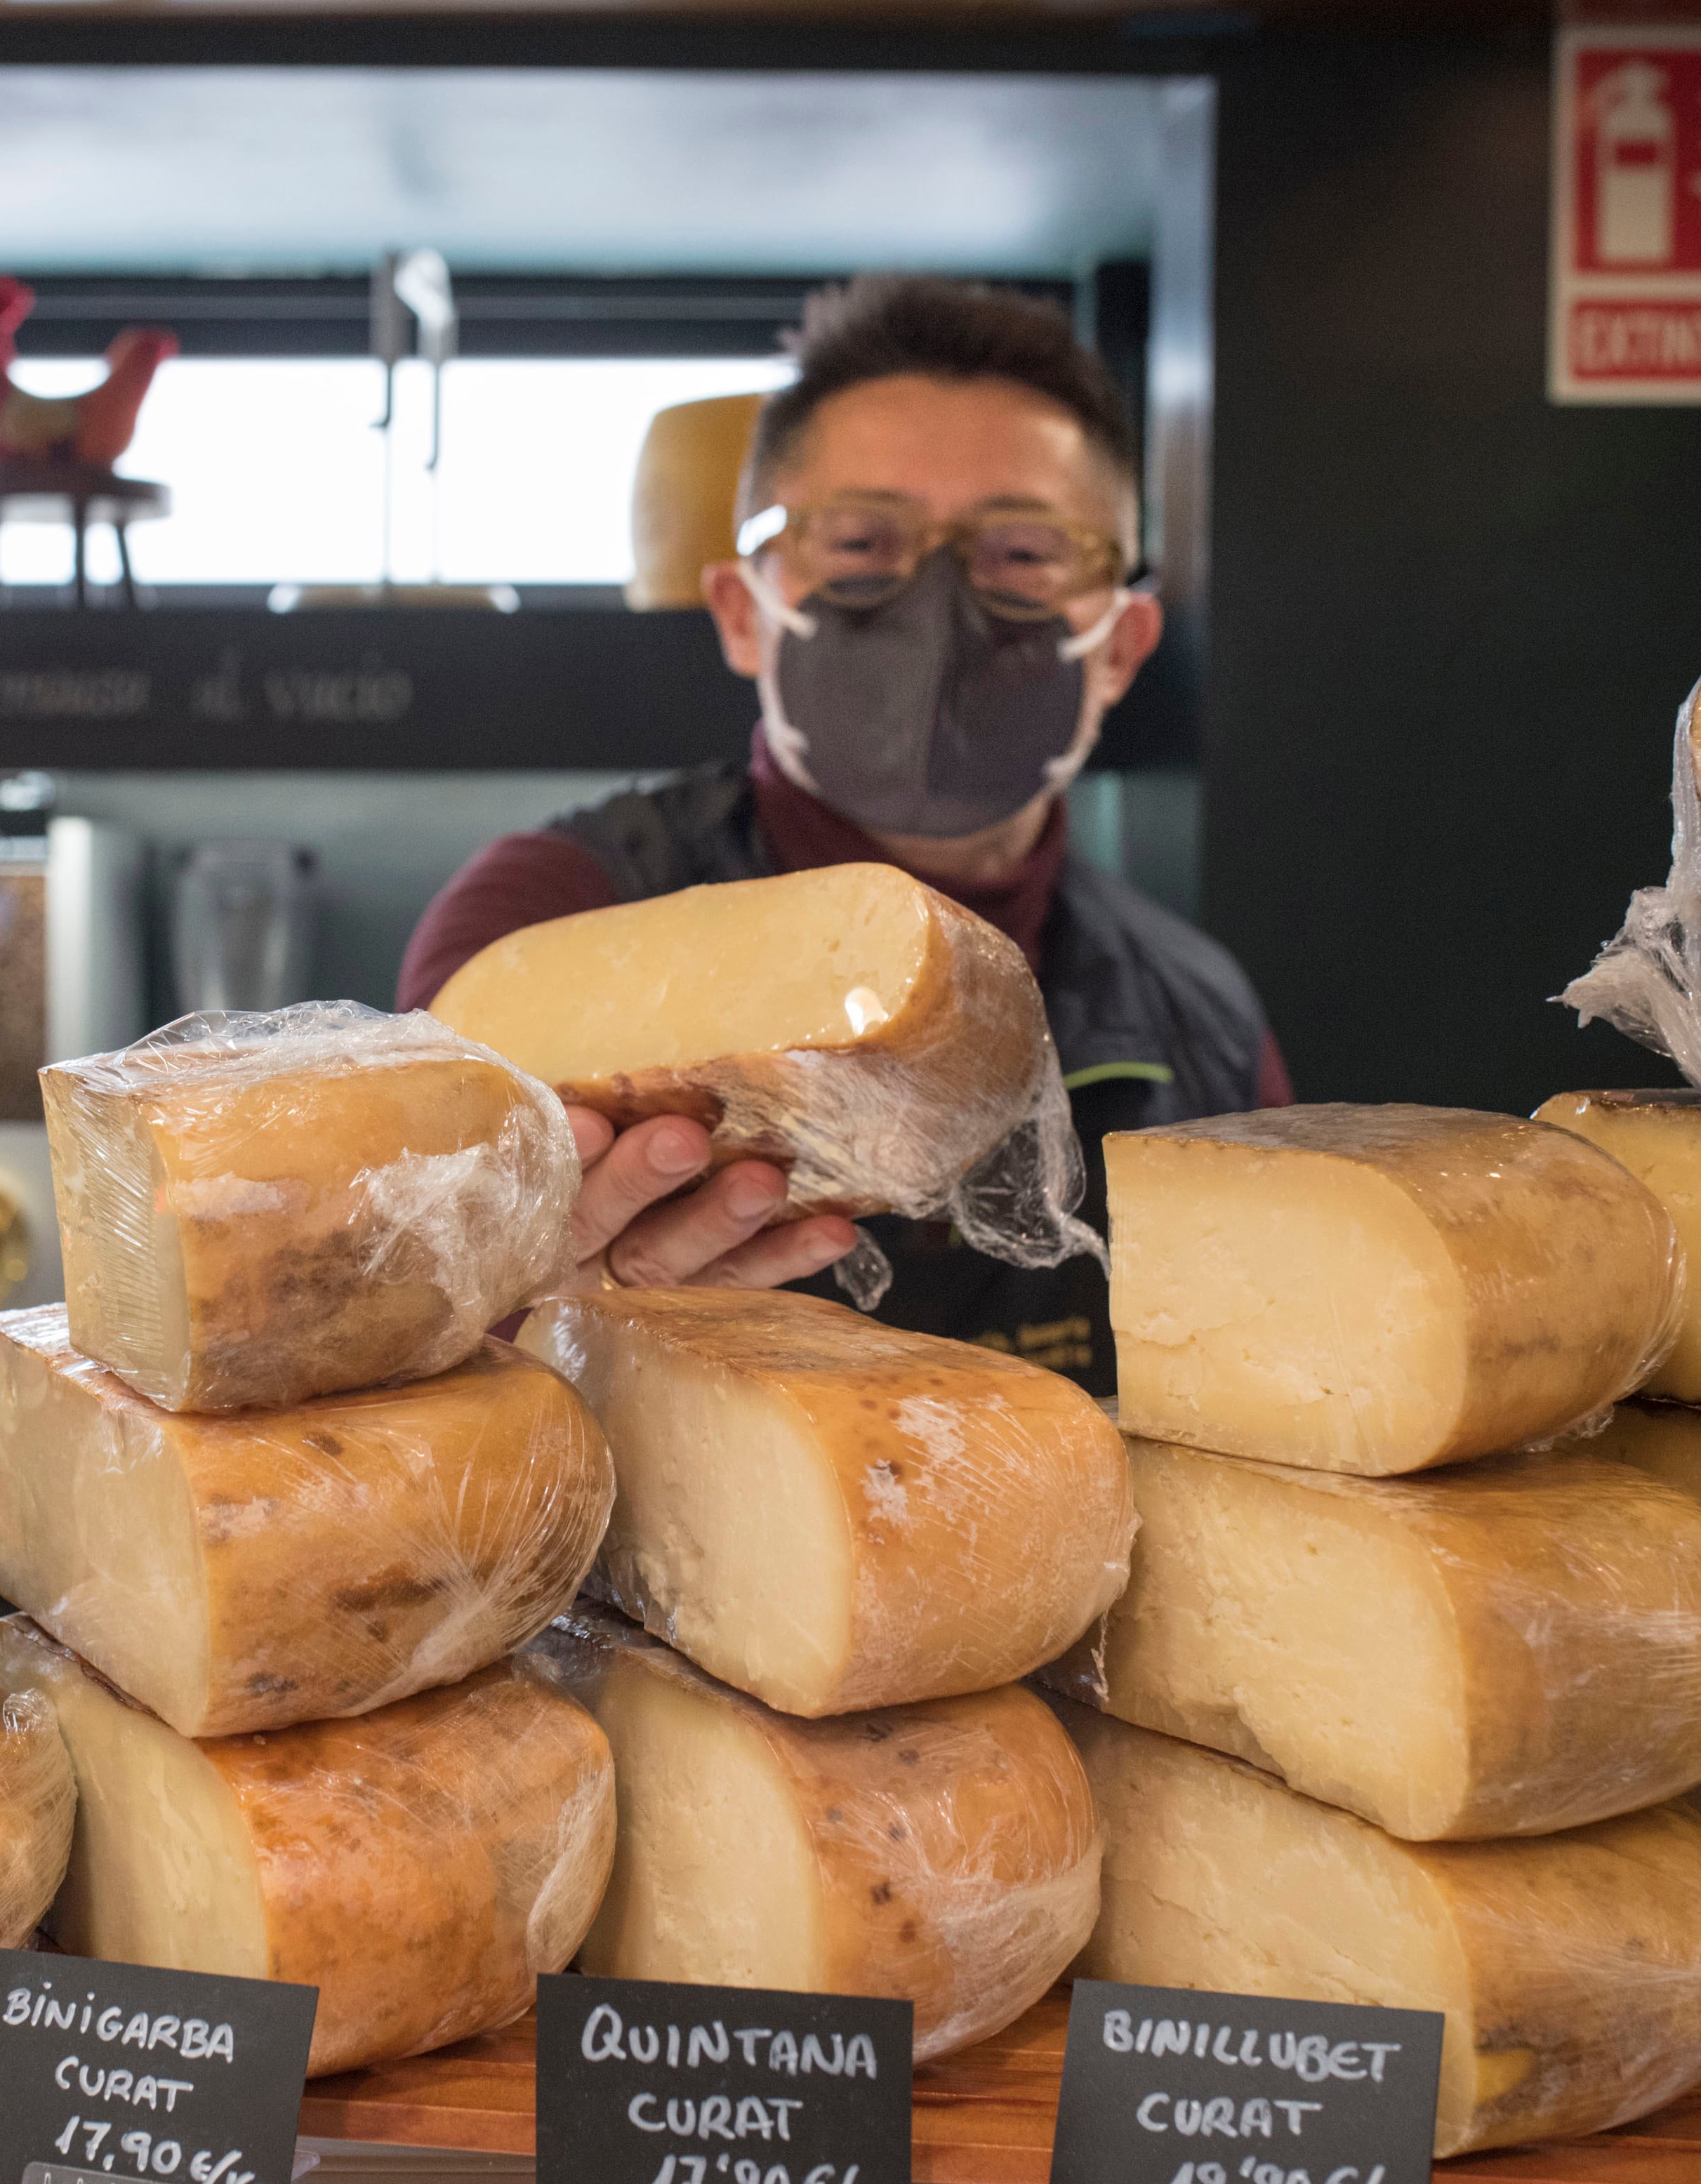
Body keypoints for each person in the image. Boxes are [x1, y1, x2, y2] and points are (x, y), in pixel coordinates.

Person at [402, 275, 1285, 1387]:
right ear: (741, 612)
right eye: (863, 545)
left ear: (1120, 643)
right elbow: (382, 1339)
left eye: (1021, 553)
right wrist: (514, 1315)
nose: (939, 607)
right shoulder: (547, 915)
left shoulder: (1198, 1015)